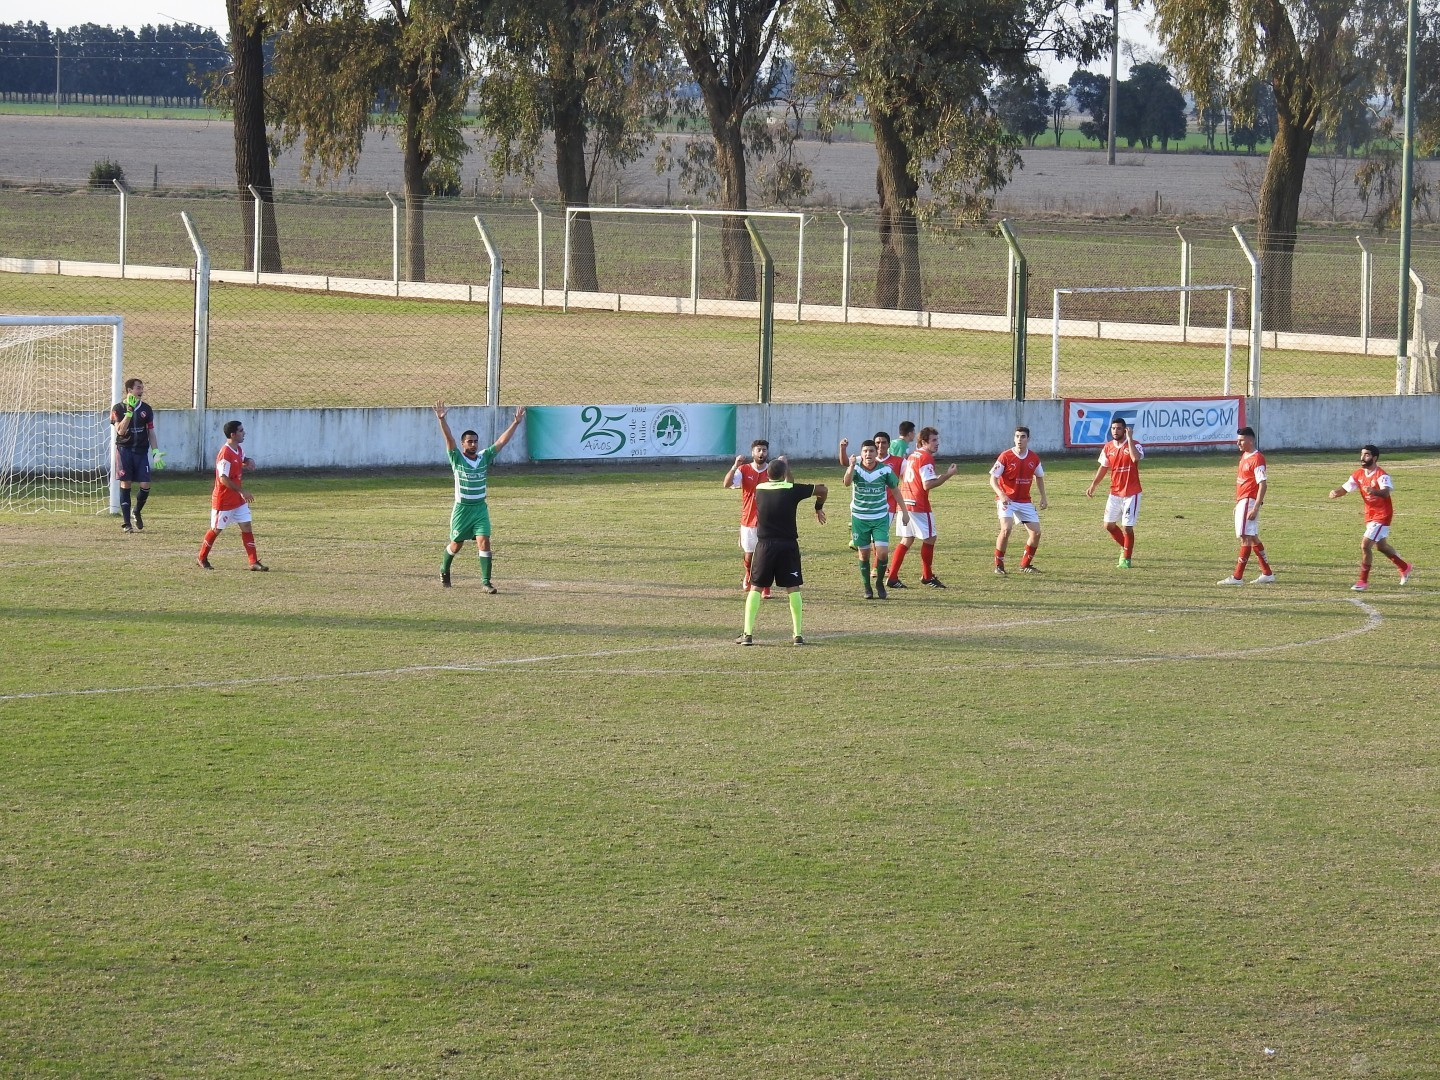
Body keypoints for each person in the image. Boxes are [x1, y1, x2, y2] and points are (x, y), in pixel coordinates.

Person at [435, 402, 526, 592]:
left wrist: (516, 423)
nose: (473, 444)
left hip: (480, 509)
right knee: (456, 545)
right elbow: (449, 439)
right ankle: (444, 568)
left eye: (475, 441)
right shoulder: (457, 458)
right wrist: (442, 420)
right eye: (469, 441)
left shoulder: (484, 457)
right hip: (462, 510)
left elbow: (501, 442)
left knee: (484, 542)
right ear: (463, 444)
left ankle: (486, 582)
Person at [737, 458, 827, 645]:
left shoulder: (760, 489)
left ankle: (747, 634)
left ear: (767, 474)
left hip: (765, 545)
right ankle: (797, 634)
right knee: (793, 588)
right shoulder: (792, 489)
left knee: (756, 587)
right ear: (785, 473)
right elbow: (823, 489)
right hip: (788, 545)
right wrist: (818, 507)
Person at [1327, 444, 1415, 591]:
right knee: (1381, 547)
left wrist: (1373, 491)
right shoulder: (1358, 474)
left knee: (1365, 546)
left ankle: (1362, 581)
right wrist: (1336, 493)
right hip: (1370, 515)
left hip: (1382, 515)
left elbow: (1385, 492)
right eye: (1362, 454)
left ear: (1374, 458)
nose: (1363, 457)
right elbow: (1346, 488)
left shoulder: (1382, 475)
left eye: (1366, 455)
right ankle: (1404, 567)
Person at [888, 425, 958, 589]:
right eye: (933, 440)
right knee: (930, 538)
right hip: (918, 504)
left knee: (907, 539)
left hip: (905, 502)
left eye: (937, 440)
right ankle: (927, 576)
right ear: (924, 442)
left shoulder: (913, 456)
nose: (937, 443)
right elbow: (927, 484)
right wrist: (947, 475)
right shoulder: (925, 457)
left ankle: (892, 577)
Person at [841, 439, 910, 598]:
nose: (868, 454)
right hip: (860, 518)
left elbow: (895, 490)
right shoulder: (856, 468)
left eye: (871, 451)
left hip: (880, 517)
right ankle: (867, 587)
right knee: (864, 554)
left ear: (876, 453)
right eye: (865, 451)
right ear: (861, 453)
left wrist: (905, 512)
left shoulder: (885, 470)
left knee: (883, 553)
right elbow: (846, 483)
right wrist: (851, 466)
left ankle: (879, 582)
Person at [196, 420, 265, 571]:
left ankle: (253, 562)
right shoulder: (225, 454)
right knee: (216, 529)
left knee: (246, 526)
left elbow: (242, 459)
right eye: (241, 430)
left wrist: (248, 461)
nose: (244, 433)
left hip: (238, 500)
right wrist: (242, 491)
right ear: (233, 435)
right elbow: (223, 478)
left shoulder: (238, 449)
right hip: (224, 500)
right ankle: (201, 558)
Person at [1219, 425, 1276, 585]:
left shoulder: (1257, 459)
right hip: (1243, 501)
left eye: (1241, 440)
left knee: (1246, 538)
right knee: (1253, 537)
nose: (1238, 443)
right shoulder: (1245, 456)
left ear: (1250, 441)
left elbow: (1263, 484)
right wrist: (1239, 505)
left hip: (1249, 501)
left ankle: (1237, 577)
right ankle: (1267, 573)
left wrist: (1255, 507)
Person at [1085, 417, 1143, 567]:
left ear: (1125, 430)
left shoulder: (1135, 444)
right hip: (1115, 492)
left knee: (1127, 527)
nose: (1115, 431)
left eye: (1118, 428)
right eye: (1113, 428)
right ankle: (1126, 548)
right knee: (1108, 525)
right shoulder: (1108, 447)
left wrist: (1130, 439)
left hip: (1132, 493)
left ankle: (1126, 559)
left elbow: (1135, 458)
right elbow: (1103, 467)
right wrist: (1093, 485)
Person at [990, 426, 1048, 574]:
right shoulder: (1005, 456)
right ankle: (999, 565)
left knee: (1036, 533)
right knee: (1006, 529)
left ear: (1028, 439)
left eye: (1023, 437)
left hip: (1024, 501)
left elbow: (1039, 476)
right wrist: (1001, 494)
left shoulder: (1033, 458)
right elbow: (993, 479)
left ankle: (1025, 565)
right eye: (1017, 436)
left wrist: (1043, 496)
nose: (1019, 439)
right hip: (1007, 500)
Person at [109, 377, 163, 532]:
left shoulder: (146, 409)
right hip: (124, 451)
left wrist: (156, 452)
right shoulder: (118, 408)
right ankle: (127, 523)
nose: (141, 391)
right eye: (138, 388)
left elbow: (151, 431)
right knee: (125, 483)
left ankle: (137, 511)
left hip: (141, 451)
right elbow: (120, 431)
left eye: (142, 388)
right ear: (129, 390)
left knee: (145, 484)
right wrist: (129, 412)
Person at [723, 439, 772, 597]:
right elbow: (726, 484)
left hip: (768, 520)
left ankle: (766, 585)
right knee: (749, 554)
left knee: (767, 554)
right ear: (753, 452)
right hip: (748, 519)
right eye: (759, 450)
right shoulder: (743, 469)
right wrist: (734, 466)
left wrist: (785, 467)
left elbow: (788, 484)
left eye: (764, 450)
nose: (761, 453)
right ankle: (748, 574)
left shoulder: (772, 470)